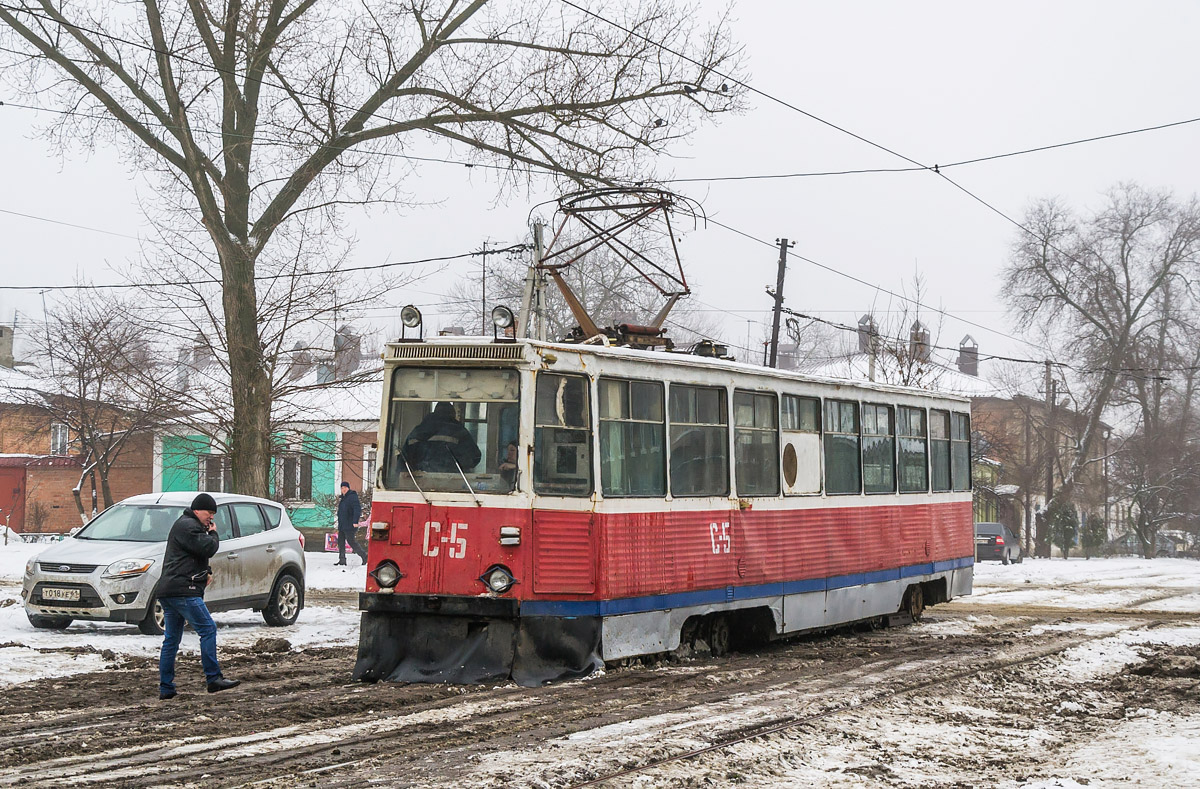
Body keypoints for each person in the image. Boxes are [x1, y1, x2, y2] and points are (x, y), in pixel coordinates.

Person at [158, 492, 239, 699]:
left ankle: (166, 688)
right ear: (196, 510)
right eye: (208, 512)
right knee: (208, 628)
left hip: (171, 590)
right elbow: (208, 548)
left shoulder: (187, 525)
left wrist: (206, 571)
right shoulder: (189, 526)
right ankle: (213, 679)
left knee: (171, 640)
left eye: (213, 513)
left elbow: (194, 555)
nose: (211, 517)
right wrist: (213, 534)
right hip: (183, 590)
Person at [403, 401, 482, 473]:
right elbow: (474, 458)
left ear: (435, 412)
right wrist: (454, 466)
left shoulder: (417, 431)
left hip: (419, 483)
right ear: (452, 414)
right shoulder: (459, 431)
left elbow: (403, 461)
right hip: (450, 482)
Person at [336, 481, 367, 566]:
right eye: (342, 488)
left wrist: (355, 521)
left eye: (345, 488)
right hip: (342, 524)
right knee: (340, 542)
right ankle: (342, 560)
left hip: (350, 524)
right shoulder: (343, 498)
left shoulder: (352, 497)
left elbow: (357, 509)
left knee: (351, 541)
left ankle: (364, 556)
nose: (343, 489)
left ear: (348, 488)